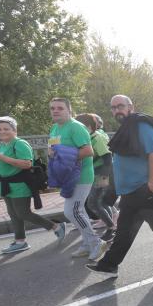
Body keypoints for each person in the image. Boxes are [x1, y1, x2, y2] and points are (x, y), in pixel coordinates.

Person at [87, 95, 153, 275]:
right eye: (113, 108)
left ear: (131, 106)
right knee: (125, 230)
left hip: (144, 187)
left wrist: (152, 184)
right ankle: (109, 265)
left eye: (120, 106)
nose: (117, 110)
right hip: (131, 189)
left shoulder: (141, 126)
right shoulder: (127, 127)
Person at [0, 116, 66, 254]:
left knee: (23, 213)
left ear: (14, 130)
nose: (2, 131)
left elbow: (27, 164)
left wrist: (3, 158)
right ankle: (20, 241)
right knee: (13, 213)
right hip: (5, 185)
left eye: (6, 129)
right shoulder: (2, 145)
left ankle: (56, 227)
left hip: (19, 184)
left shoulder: (20, 144)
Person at [48, 97, 106, 261]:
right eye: (52, 108)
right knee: (76, 211)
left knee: (72, 211)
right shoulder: (55, 128)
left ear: (69, 110)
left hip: (82, 175)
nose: (56, 111)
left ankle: (96, 242)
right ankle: (87, 244)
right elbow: (54, 148)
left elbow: (88, 151)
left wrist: (64, 157)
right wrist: (51, 154)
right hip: (68, 175)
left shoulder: (76, 127)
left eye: (60, 108)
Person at [75, 113, 115, 241]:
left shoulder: (97, 138)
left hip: (101, 173)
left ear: (89, 126)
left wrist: (104, 176)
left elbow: (108, 156)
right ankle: (112, 227)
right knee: (100, 202)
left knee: (93, 203)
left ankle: (111, 228)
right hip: (93, 173)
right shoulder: (87, 138)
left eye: (79, 128)